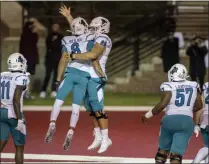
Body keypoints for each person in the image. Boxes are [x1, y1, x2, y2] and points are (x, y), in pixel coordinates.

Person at [60, 6, 112, 153]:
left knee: (98, 108)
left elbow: (92, 55)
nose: (92, 30)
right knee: (90, 108)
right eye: (92, 28)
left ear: (102, 28)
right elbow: (80, 29)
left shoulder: (103, 38)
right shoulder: (94, 35)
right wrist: (69, 17)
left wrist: (73, 56)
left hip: (96, 76)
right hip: (88, 75)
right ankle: (98, 135)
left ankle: (106, 138)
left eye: (95, 28)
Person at [44, 17, 95, 151]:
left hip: (70, 74)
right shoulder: (89, 38)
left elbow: (62, 60)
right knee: (76, 107)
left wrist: (57, 79)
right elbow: (91, 55)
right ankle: (71, 130)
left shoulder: (66, 40)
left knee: (58, 102)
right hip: (84, 76)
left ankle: (52, 123)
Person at [141, 63, 203, 164]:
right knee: (176, 156)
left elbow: (162, 105)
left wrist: (147, 115)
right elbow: (199, 105)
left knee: (162, 153)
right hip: (186, 122)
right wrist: (186, 110)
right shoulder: (193, 85)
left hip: (169, 121)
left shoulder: (168, 86)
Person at [0, 53, 30, 164]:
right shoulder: (22, 77)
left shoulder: (2, 75)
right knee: (19, 147)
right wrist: (19, 119)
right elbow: (16, 99)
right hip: (14, 113)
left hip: (2, 111)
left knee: (1, 142)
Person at [40, 23, 63, 98]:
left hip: (58, 60)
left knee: (56, 76)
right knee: (47, 75)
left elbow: (60, 47)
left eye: (56, 27)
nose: (55, 29)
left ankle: (54, 90)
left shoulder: (61, 37)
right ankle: (43, 90)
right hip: (49, 60)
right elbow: (49, 46)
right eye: (54, 27)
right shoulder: (49, 37)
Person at [19, 20, 39, 99]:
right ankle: (26, 93)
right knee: (27, 76)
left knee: (26, 76)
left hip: (27, 58)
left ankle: (26, 93)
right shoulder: (32, 35)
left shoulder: (24, 35)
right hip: (28, 59)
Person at [192, 82, 209, 163]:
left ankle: (195, 161)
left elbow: (201, 108)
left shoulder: (206, 85)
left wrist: (196, 124)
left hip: (204, 121)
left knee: (206, 146)